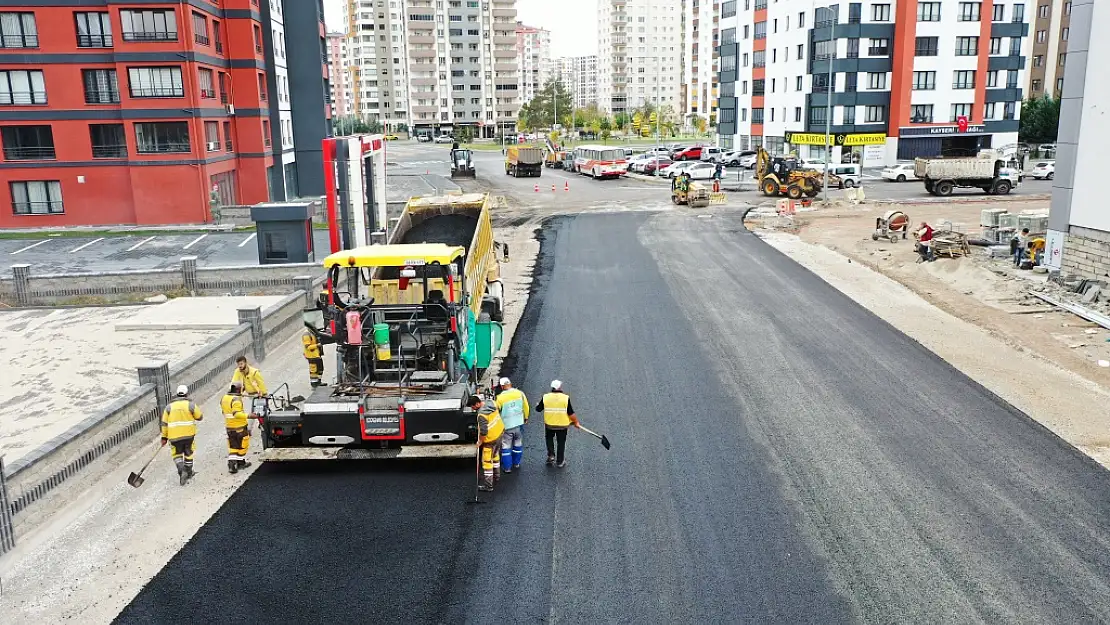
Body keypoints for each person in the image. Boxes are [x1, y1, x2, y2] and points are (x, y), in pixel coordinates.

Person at [161, 385, 203, 486]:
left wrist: (164, 437)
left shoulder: (169, 407)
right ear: (186, 393)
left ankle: (181, 470)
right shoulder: (190, 404)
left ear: (177, 394)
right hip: (189, 436)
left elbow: (164, 423)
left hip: (173, 437)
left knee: (176, 454)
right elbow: (200, 417)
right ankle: (188, 472)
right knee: (188, 453)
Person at [536, 380, 579, 468]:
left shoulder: (546, 397)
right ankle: (560, 462)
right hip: (562, 426)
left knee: (549, 439)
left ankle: (551, 455)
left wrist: (538, 405)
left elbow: (538, 409)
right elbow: (571, 413)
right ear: (559, 387)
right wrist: (576, 422)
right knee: (561, 442)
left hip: (549, 425)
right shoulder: (565, 398)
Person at [495, 377, 529, 473]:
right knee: (518, 443)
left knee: (506, 446)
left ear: (502, 386)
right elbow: (526, 406)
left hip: (506, 426)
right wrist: (526, 417)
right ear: (510, 384)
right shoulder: (520, 393)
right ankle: (516, 463)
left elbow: (496, 412)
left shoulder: (500, 398)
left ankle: (507, 468)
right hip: (519, 424)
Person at [470, 395, 504, 492]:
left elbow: (484, 432)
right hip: (500, 433)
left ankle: (489, 486)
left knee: (487, 462)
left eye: (473, 407)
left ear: (477, 404)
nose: (472, 409)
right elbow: (499, 407)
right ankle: (497, 476)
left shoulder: (481, 415)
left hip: (490, 440)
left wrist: (480, 442)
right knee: (496, 455)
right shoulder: (491, 402)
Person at [221, 382, 252, 474]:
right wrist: (249, 416)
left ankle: (231, 464)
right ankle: (241, 463)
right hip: (240, 426)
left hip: (229, 427)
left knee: (233, 445)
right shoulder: (236, 400)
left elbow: (224, 412)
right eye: (242, 389)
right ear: (238, 389)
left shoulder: (224, 398)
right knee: (243, 444)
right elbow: (236, 413)